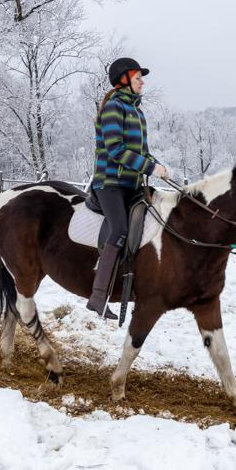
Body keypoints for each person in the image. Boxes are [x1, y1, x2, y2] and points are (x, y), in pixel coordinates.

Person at [87, 57, 172, 319]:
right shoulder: (113, 107)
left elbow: (141, 152)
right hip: (110, 182)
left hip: (132, 183)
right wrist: (148, 168)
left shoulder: (137, 111)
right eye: (138, 78)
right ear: (124, 79)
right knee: (120, 230)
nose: (142, 82)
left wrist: (158, 166)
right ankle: (98, 298)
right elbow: (115, 150)